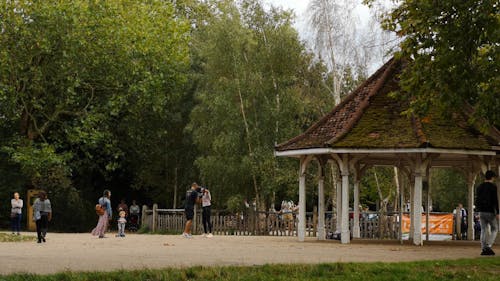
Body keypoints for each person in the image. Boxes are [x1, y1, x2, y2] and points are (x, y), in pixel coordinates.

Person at [475, 170, 499, 256]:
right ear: (492, 177)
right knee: (495, 228)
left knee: (483, 230)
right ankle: (488, 245)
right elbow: (495, 200)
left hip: (481, 211)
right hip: (490, 211)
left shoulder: (479, 187)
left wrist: (477, 211)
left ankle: (483, 248)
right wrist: (498, 212)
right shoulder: (493, 187)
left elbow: (477, 199)